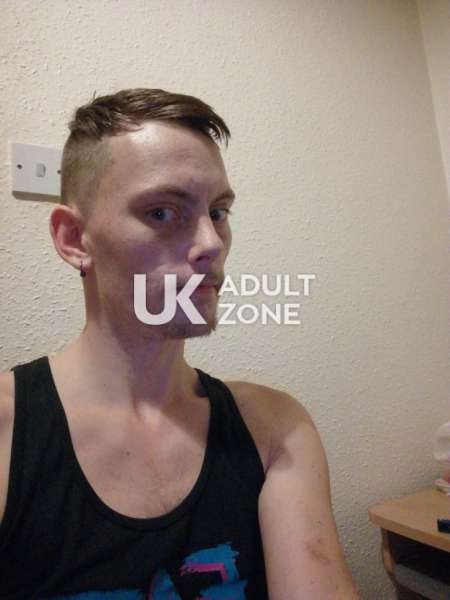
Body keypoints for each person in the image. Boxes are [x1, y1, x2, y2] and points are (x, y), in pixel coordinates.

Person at [0, 88, 359, 598]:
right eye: (162, 212)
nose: (211, 244)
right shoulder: (10, 433)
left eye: (219, 211)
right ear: (74, 239)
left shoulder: (274, 428)